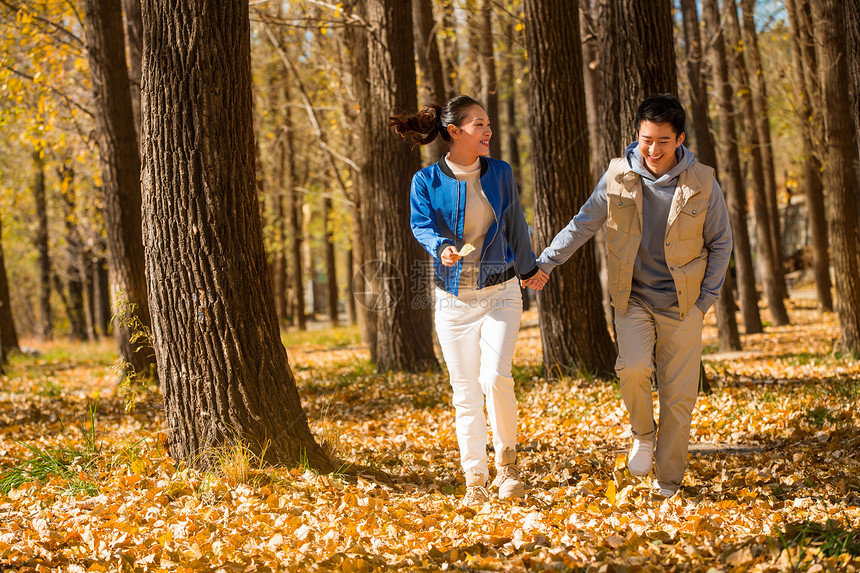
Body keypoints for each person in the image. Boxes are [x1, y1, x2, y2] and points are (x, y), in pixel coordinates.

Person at [535, 94, 732, 498]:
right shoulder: (618, 177)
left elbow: (721, 243)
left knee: (679, 399)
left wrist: (703, 303)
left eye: (662, 141)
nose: (653, 150)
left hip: (683, 304)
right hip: (634, 298)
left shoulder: (704, 182)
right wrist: (546, 263)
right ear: (636, 136)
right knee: (634, 368)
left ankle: (668, 482)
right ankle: (643, 433)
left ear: (679, 139)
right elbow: (582, 224)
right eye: (646, 140)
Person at [389, 95, 544, 506]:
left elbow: (515, 222)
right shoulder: (426, 181)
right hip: (454, 300)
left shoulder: (500, 172)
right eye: (479, 124)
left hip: (500, 291)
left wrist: (528, 270)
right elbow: (420, 224)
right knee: (465, 392)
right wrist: (441, 246)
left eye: (489, 123)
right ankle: (475, 478)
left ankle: (508, 466)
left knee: (495, 377)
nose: (488, 131)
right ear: (454, 132)